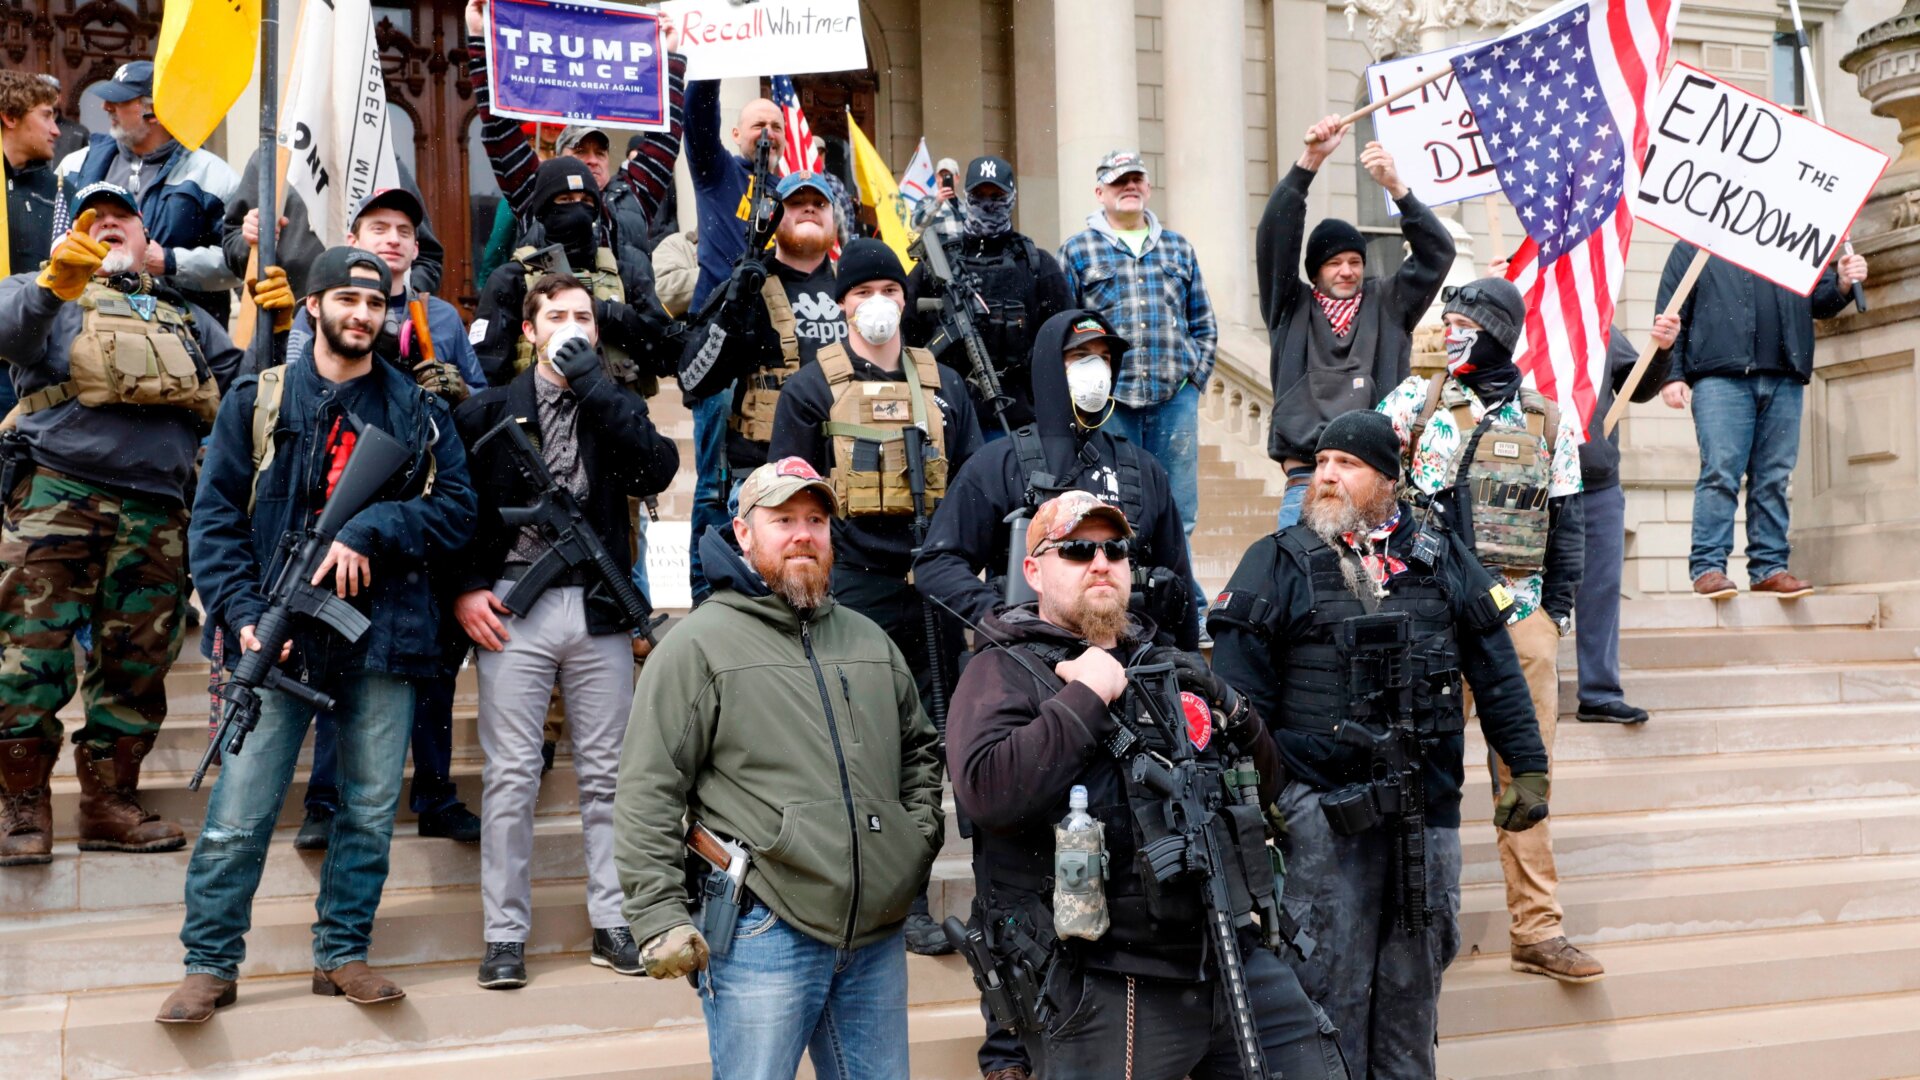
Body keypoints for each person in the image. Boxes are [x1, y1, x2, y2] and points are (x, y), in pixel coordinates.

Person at [160, 245, 476, 1021]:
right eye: (348, 301)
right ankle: (210, 962)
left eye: (377, 304)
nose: (364, 315)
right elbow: (214, 522)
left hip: (385, 635)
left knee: (368, 808)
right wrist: (241, 616)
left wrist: (375, 525)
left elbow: (460, 509)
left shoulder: (415, 409)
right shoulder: (259, 399)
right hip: (278, 636)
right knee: (240, 811)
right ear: (314, 307)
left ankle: (342, 953)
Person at [947, 490, 1346, 1080]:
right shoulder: (1003, 669)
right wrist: (1083, 697)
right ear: (1034, 570)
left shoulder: (1165, 662)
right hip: (1106, 972)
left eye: (1115, 549)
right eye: (1078, 550)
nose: (1101, 562)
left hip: (1222, 949)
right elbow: (989, 793)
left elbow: (1264, 788)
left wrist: (1234, 708)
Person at [1209, 410, 1551, 1079]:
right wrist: (1277, 802)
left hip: (1426, 816)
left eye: (1348, 464)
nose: (1327, 476)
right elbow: (1233, 699)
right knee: (1325, 995)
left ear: (1387, 480)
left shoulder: (1442, 554)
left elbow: (1498, 671)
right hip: (1321, 818)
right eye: (1323, 462)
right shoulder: (1275, 561)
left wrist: (1528, 771)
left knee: (1411, 996)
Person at [614, 456, 944, 1078]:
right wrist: (657, 914)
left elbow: (920, 753)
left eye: (816, 520)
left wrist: (911, 845)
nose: (803, 534)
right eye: (784, 519)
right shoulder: (696, 646)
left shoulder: (871, 641)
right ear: (744, 532)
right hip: (765, 927)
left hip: (875, 936)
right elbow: (648, 788)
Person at [0, 183, 247, 867]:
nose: (109, 225)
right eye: (94, 217)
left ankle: (109, 803)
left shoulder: (184, 316)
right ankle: (20, 805)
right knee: (30, 656)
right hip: (58, 494)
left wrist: (286, 327)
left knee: (138, 666)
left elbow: (246, 392)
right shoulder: (42, 293)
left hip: (159, 510)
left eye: (123, 218)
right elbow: (5, 334)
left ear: (146, 239)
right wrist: (54, 282)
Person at [454, 272, 679, 989]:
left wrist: (600, 389)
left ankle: (613, 922)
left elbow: (659, 468)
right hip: (513, 611)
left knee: (609, 775)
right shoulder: (490, 408)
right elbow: (456, 509)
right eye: (556, 315)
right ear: (529, 329)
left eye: (583, 315)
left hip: (599, 610)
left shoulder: (611, 407)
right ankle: (504, 934)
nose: (570, 325)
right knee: (513, 775)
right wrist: (464, 591)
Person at [1374, 277, 1600, 983]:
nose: (1450, 331)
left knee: (1525, 777)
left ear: (1499, 330)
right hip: (1433, 616)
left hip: (1519, 620)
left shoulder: (1549, 421)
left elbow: (1568, 524)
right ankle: (1403, 925)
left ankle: (1537, 929)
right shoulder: (1419, 400)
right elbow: (1365, 478)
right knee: (1411, 767)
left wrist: (1552, 619)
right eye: (1448, 319)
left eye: (1465, 320)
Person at [767, 237, 982, 957]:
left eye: (888, 288)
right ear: (842, 303)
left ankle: (925, 893)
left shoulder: (944, 381)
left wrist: (958, 561)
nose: (876, 303)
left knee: (947, 743)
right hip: (857, 588)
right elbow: (787, 495)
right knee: (867, 751)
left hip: (938, 586)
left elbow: (978, 481)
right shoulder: (810, 387)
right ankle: (881, 894)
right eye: (861, 292)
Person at [264, 186, 483, 850]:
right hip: (340, 516)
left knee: (434, 669)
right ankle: (325, 800)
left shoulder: (438, 315)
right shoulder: (327, 305)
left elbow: (477, 405)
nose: (393, 239)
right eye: (378, 227)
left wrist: (453, 393)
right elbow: (305, 389)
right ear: (354, 241)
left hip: (422, 511)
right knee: (340, 663)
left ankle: (436, 790)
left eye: (404, 232)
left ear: (418, 249)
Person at [916, 310, 1201, 650]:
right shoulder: (997, 464)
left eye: (1104, 358)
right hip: (1031, 665)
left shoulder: (1143, 468)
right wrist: (1000, 617)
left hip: (1129, 659)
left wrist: (1189, 671)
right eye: (1081, 356)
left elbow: (1178, 581)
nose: (1096, 369)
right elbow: (937, 564)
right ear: (1051, 367)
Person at [1260, 114, 1456, 528]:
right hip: (1306, 481)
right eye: (1334, 263)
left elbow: (1438, 252)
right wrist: (1310, 160)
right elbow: (1274, 234)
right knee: (1299, 586)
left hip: (1374, 483)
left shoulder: (1387, 302)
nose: (1347, 271)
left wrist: (1396, 188)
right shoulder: (1290, 306)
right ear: (1315, 272)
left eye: (1355, 261)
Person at [1657, 242, 1869, 599]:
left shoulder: (1791, 237)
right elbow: (1671, 314)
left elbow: (1818, 301)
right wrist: (1671, 374)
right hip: (1719, 376)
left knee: (1774, 477)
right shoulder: (1695, 244)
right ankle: (1709, 567)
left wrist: (1844, 283)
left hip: (1785, 375)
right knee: (1720, 472)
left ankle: (1770, 568)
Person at [1058, 150, 1216, 615]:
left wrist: (1194, 380)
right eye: (1118, 180)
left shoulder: (1179, 249)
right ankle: (1124, 604)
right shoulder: (1077, 250)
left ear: (1147, 188)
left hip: (1174, 402)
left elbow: (1202, 322)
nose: (1129, 186)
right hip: (1110, 405)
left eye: (1137, 179)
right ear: (1100, 192)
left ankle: (1184, 607)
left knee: (1179, 513)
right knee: (1116, 508)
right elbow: (1065, 327)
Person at [462, 0, 685, 271]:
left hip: (622, 313)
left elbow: (666, 138)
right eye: (580, 151)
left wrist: (667, 60)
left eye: (599, 152)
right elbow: (500, 129)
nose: (592, 160)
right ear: (559, 157)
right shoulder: (534, 193)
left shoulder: (634, 196)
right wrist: (482, 40)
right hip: (553, 312)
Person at [678, 171, 846, 504]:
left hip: (849, 477)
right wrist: (733, 311)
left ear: (833, 217)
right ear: (774, 217)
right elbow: (693, 380)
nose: (809, 209)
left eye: (819, 203)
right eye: (796, 203)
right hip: (766, 477)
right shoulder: (749, 286)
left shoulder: (858, 285)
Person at [682, 78, 788, 602]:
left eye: (776, 127)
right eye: (758, 126)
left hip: (769, 351)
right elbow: (697, 117)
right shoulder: (717, 173)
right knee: (713, 481)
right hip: (719, 344)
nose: (767, 135)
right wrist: (707, 65)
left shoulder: (790, 193)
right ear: (737, 133)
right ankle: (706, 593)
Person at [472, 157, 680, 391]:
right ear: (544, 210)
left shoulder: (626, 275)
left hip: (617, 419)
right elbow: (485, 373)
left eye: (586, 200)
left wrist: (611, 315)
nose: (577, 208)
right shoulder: (512, 279)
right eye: (566, 200)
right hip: (538, 419)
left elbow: (668, 351)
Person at [57, 61, 241, 324]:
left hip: (181, 336)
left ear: (152, 112)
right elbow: (53, 249)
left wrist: (170, 261)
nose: (105, 107)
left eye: (119, 100)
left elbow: (240, 262)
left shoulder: (214, 176)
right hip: (91, 329)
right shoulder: (75, 166)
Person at [905, 155, 1071, 432]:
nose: (987, 204)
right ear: (966, 197)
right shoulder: (936, 265)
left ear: (1012, 198)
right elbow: (906, 334)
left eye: (997, 196)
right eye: (979, 195)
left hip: (1017, 420)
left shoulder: (1037, 265)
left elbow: (1063, 340)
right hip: (945, 417)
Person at [1575, 319, 1677, 725]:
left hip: (1597, 482)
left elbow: (1639, 387)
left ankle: (1599, 692)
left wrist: (1662, 350)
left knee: (1601, 590)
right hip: (1535, 486)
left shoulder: (1598, 321)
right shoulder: (1520, 315)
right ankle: (1525, 694)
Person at [224, 153, 445, 300]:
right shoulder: (273, 159)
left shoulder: (384, 161)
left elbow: (426, 257)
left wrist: (403, 301)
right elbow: (231, 248)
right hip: (285, 329)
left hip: (373, 336)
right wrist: (249, 242)